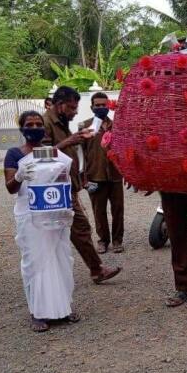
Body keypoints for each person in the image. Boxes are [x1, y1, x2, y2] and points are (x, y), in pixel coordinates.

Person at [4, 111, 77, 332]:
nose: (34, 127)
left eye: (38, 124)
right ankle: (37, 312)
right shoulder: (14, 154)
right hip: (30, 215)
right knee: (35, 262)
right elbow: (10, 188)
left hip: (55, 213)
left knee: (60, 257)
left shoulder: (53, 153)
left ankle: (63, 308)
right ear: (22, 128)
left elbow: (65, 178)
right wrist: (19, 176)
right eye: (29, 124)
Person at [42, 86, 120, 284]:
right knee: (79, 228)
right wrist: (70, 140)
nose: (75, 112)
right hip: (54, 188)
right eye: (72, 108)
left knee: (75, 229)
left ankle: (94, 269)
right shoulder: (44, 123)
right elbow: (38, 156)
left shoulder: (60, 121)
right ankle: (94, 270)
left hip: (66, 185)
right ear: (60, 105)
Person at [79, 92, 124, 254]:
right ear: (92, 107)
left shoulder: (118, 126)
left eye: (103, 105)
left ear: (109, 106)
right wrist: (83, 178)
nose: (100, 108)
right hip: (95, 175)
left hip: (115, 175)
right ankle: (103, 240)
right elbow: (81, 154)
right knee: (99, 211)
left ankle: (117, 240)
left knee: (118, 210)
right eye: (97, 105)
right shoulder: (85, 127)